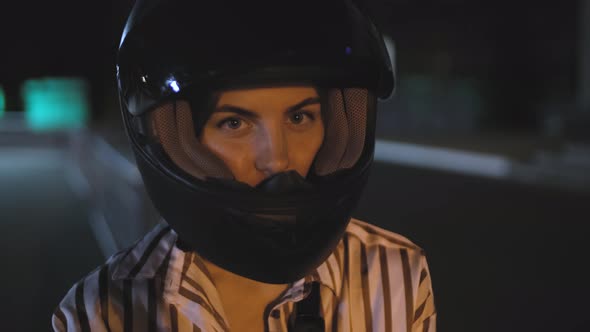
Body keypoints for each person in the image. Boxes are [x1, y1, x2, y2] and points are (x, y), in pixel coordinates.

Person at [53, 0, 436, 331]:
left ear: (337, 127)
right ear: (180, 140)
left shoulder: (398, 272)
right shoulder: (101, 312)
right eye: (234, 123)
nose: (278, 158)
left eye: (300, 118)